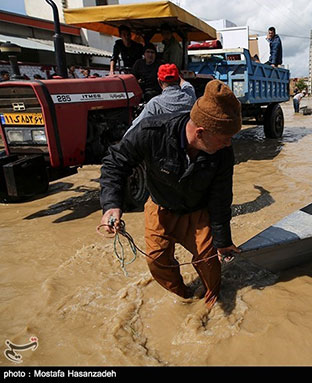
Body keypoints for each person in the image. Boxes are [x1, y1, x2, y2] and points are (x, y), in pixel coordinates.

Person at [99, 79, 242, 308]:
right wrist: (111, 205)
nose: (228, 144)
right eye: (225, 138)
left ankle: (209, 304)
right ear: (201, 132)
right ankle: (185, 297)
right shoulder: (151, 131)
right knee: (157, 261)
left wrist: (223, 241)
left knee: (209, 263)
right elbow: (115, 163)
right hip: (160, 206)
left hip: (197, 210)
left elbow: (221, 197)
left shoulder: (223, 152)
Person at [125, 63, 196, 135]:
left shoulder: (155, 104)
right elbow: (186, 84)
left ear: (159, 81)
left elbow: (135, 128)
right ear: (178, 79)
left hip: (165, 144)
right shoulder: (190, 95)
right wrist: (177, 76)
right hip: (186, 141)